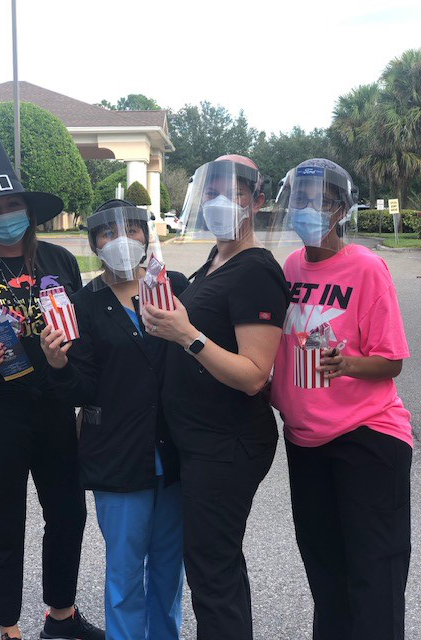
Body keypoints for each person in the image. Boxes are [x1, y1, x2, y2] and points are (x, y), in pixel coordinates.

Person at [0, 120, 104, 640]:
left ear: (28, 212)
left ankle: (61, 616)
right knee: (6, 520)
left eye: (12, 208)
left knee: (67, 514)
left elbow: (78, 329)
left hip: (55, 405)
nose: (5, 217)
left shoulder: (58, 260)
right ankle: (7, 627)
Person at [141, 155, 290, 640]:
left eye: (235, 193)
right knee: (216, 561)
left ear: (258, 202)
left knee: (211, 569)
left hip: (227, 444)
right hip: (198, 440)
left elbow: (253, 375)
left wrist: (187, 335)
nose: (220, 202)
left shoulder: (255, 270)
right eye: (211, 192)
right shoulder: (215, 260)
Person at [269, 158, 412, 640]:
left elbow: (391, 361)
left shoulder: (366, 267)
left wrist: (346, 364)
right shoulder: (290, 267)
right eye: (300, 200)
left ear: (342, 209)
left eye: (322, 201)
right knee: (325, 572)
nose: (308, 209)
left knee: (374, 574)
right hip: (306, 442)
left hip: (366, 436)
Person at [40, 199, 188, 640]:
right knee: (124, 574)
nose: (120, 241)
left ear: (146, 236)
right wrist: (58, 364)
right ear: (94, 243)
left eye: (131, 231)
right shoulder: (84, 303)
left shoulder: (173, 285)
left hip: (174, 451)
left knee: (168, 570)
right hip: (119, 456)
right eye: (107, 234)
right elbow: (81, 389)